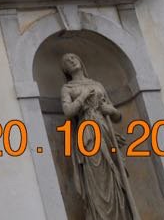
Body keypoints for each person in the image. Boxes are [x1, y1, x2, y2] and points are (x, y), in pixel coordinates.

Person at [59, 53, 139, 220]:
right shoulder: (67, 88)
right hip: (87, 132)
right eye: (67, 60)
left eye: (74, 57)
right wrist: (82, 97)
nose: (72, 60)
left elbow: (116, 116)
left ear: (80, 60)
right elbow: (68, 112)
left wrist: (111, 110)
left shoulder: (97, 84)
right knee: (96, 177)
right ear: (65, 69)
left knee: (115, 174)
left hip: (105, 130)